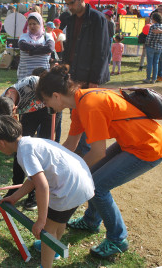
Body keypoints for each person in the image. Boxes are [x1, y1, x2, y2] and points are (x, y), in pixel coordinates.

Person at [36, 64, 162, 259]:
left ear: (56, 96)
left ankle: (118, 239)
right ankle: (91, 221)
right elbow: (71, 144)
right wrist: (51, 165)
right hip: (131, 142)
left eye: (47, 102)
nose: (48, 107)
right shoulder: (80, 102)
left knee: (96, 187)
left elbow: (97, 152)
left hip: (148, 147)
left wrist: (71, 174)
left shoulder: (90, 105)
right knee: (90, 179)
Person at [0, 115, 94, 268]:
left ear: (2, 143)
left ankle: (46, 264)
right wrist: (15, 197)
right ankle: (54, 250)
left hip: (67, 190)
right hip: (82, 183)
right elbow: (32, 180)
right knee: (60, 221)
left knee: (48, 230)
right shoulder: (31, 142)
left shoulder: (23, 153)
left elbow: (42, 186)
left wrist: (41, 221)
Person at [0, 68, 61, 211]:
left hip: (49, 109)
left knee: (41, 151)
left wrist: (55, 106)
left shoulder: (33, 83)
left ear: (14, 110)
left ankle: (34, 194)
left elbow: (56, 90)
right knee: (19, 149)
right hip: (30, 112)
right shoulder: (1, 103)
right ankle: (15, 187)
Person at [62, 0, 110, 157]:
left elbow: (102, 51)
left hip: (89, 76)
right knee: (75, 114)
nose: (70, 7)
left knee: (88, 116)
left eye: (72, 3)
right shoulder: (70, 18)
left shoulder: (98, 18)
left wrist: (94, 80)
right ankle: (78, 150)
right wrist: (64, 69)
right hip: (74, 74)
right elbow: (68, 47)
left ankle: (86, 152)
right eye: (67, 3)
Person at [17, 12, 55, 81]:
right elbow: (22, 46)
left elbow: (50, 48)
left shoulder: (47, 36)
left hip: (42, 77)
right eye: (30, 24)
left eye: (34, 24)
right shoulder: (24, 36)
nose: (32, 26)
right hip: (25, 76)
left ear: (40, 24)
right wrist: (42, 47)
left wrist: (31, 52)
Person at [143, 12, 162, 84]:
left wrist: (146, 44)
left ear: (154, 19)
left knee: (150, 63)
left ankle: (148, 78)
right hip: (159, 47)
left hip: (151, 46)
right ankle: (154, 79)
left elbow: (149, 37)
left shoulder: (153, 26)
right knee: (156, 63)